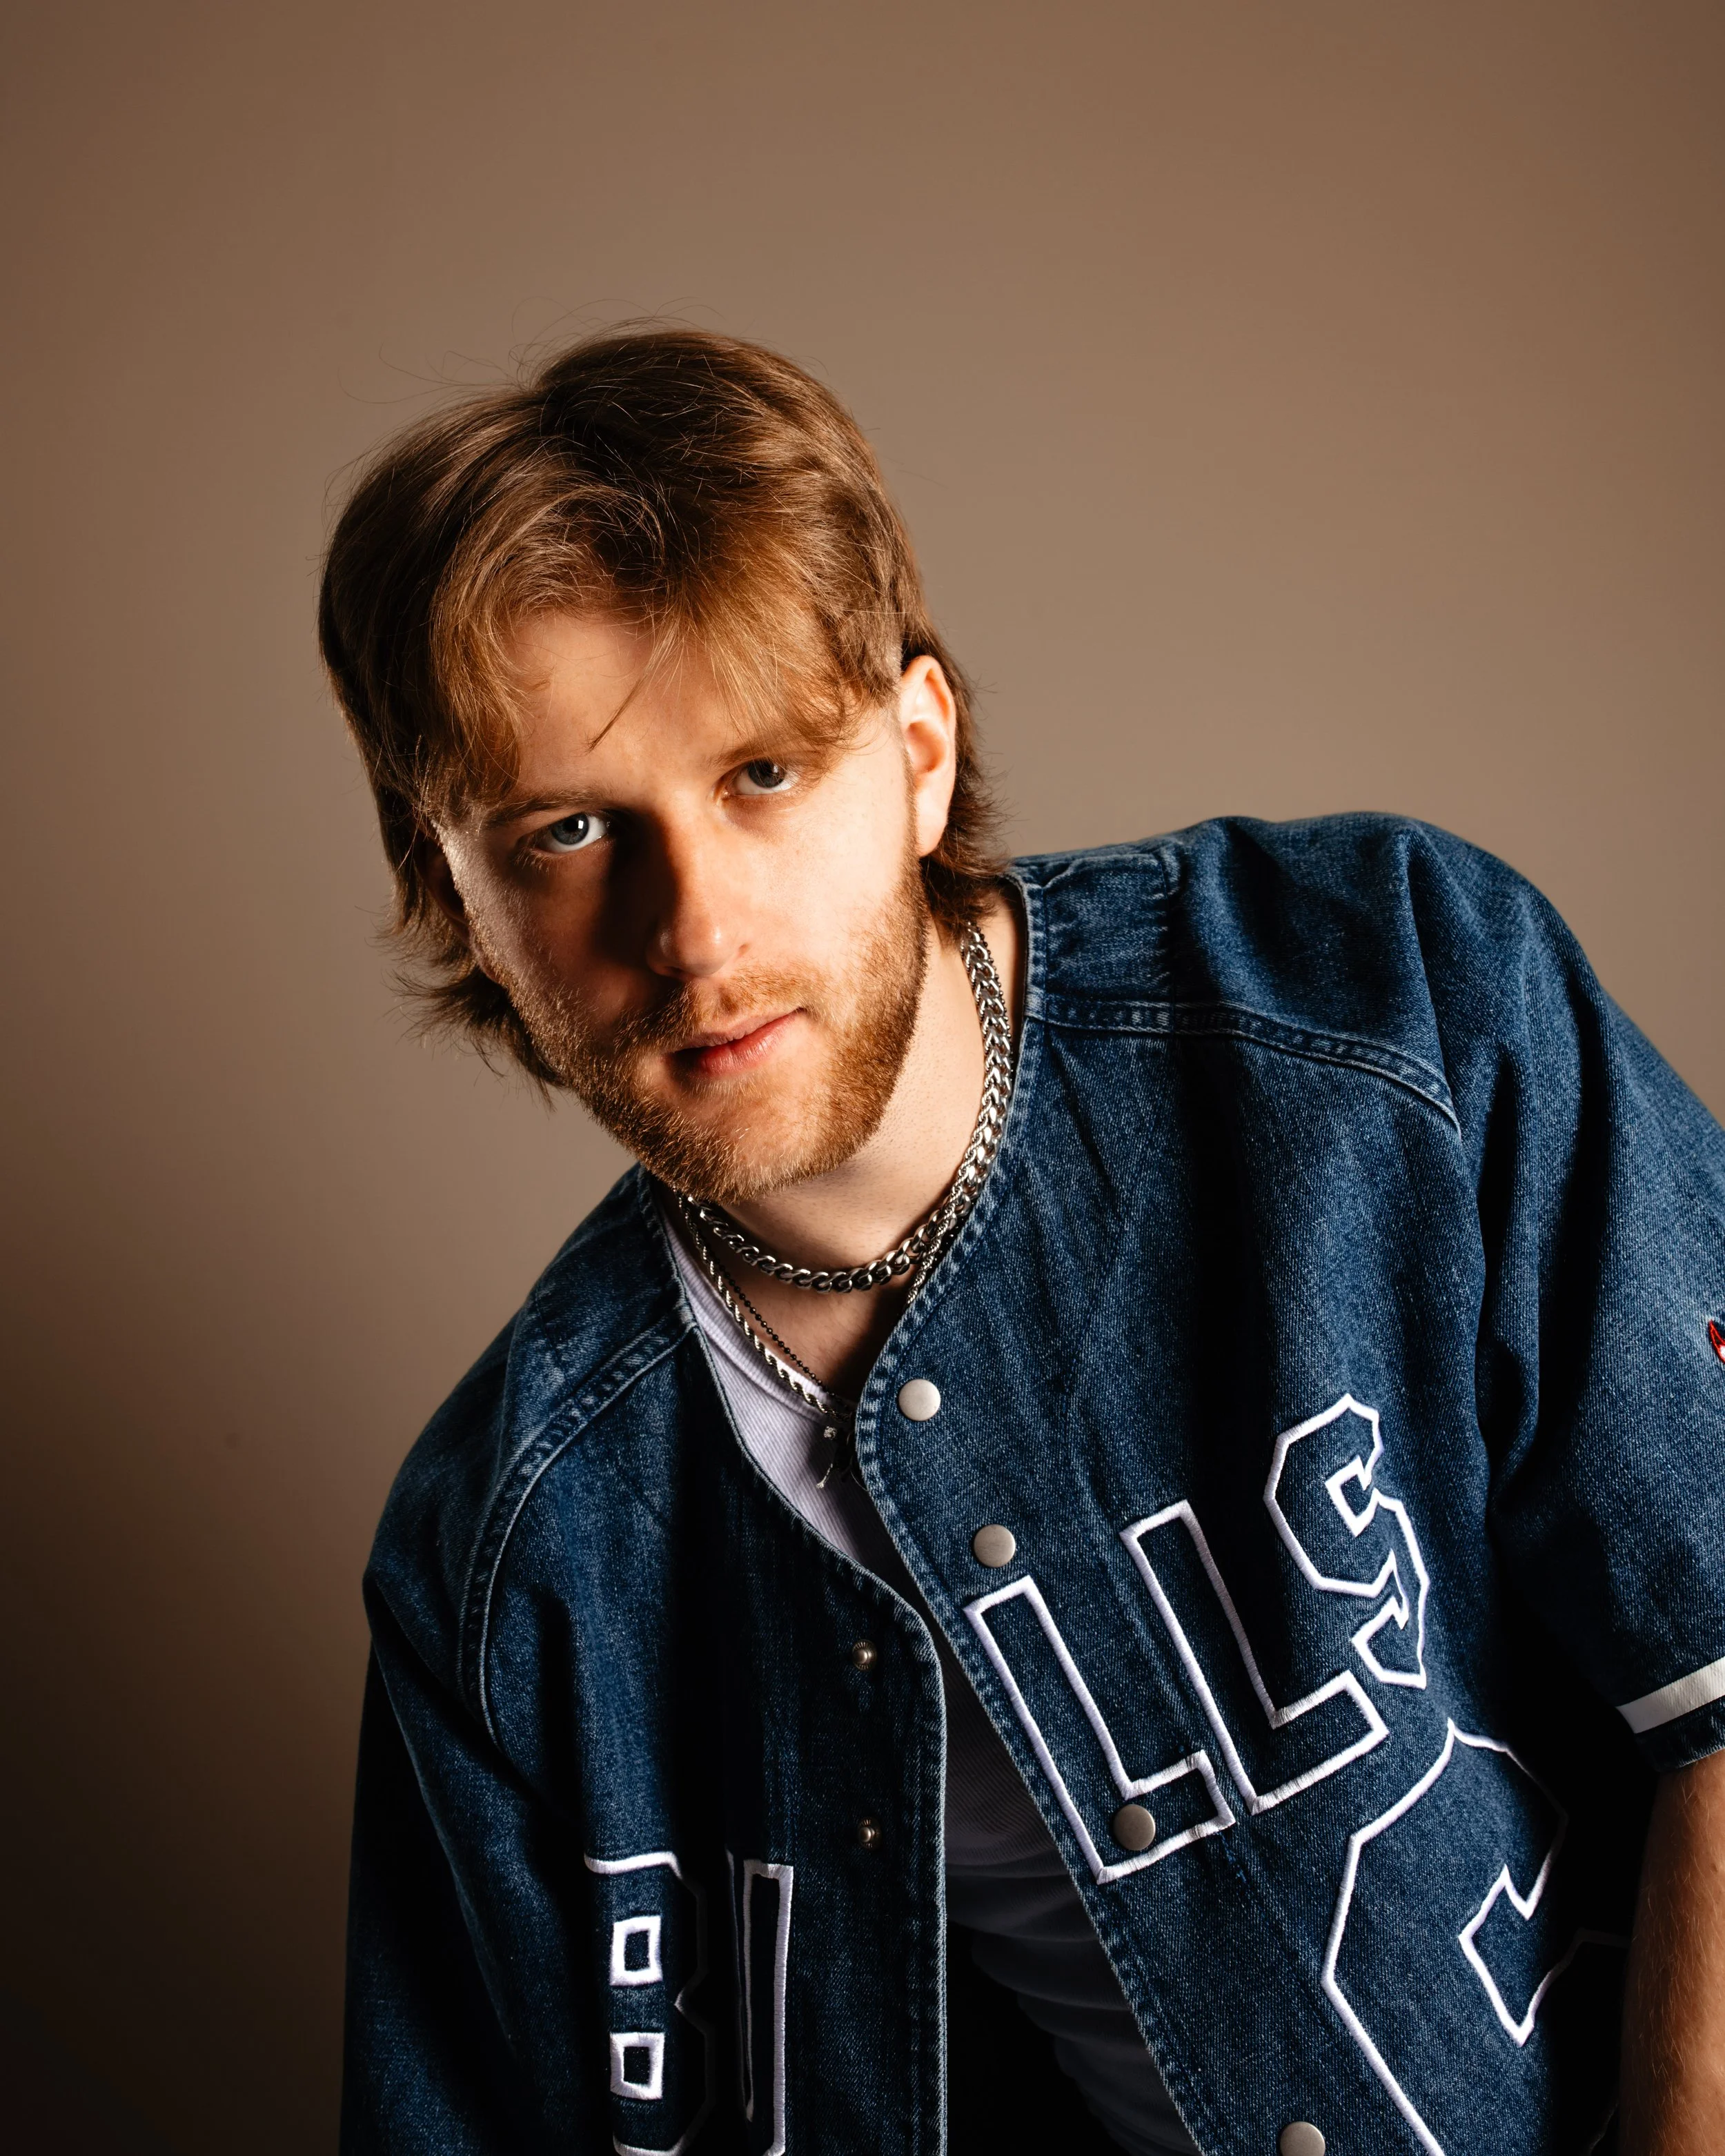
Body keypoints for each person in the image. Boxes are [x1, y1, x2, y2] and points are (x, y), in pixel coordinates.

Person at [319, 328, 1725, 2156]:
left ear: (914, 752)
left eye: (761, 773)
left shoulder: (1384, 1000)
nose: (692, 928)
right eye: (571, 831)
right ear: (461, 905)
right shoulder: (510, 1553)